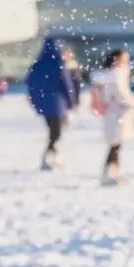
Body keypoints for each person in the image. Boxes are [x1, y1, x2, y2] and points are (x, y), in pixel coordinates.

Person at [26, 38, 77, 170]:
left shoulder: (37, 65)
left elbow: (31, 84)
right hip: (58, 103)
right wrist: (71, 102)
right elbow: (67, 85)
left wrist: (34, 100)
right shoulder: (58, 64)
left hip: (43, 103)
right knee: (56, 132)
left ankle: (52, 155)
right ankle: (49, 156)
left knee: (53, 130)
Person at [90, 49, 134, 185]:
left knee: (115, 144)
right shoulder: (116, 74)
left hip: (112, 112)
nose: (127, 62)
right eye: (124, 59)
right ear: (116, 59)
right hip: (116, 113)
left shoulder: (106, 75)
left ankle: (112, 172)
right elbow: (122, 93)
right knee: (115, 144)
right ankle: (110, 173)